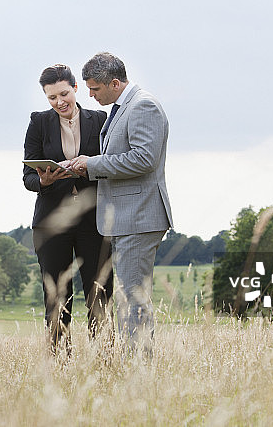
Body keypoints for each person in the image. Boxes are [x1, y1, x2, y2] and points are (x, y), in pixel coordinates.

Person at [68, 52, 172, 354]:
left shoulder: (143, 106)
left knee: (133, 300)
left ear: (115, 83)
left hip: (138, 217)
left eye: (95, 89)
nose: (90, 95)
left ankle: (138, 369)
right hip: (129, 218)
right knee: (129, 297)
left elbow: (144, 159)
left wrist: (92, 164)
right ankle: (135, 365)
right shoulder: (124, 107)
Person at [23, 64, 114, 353]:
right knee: (56, 298)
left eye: (64, 94)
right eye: (52, 97)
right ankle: (60, 361)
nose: (59, 102)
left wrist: (91, 167)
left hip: (94, 219)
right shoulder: (38, 123)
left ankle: (104, 359)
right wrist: (44, 180)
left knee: (100, 293)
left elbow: (111, 165)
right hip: (52, 221)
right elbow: (27, 178)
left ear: (75, 88)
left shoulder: (100, 120)